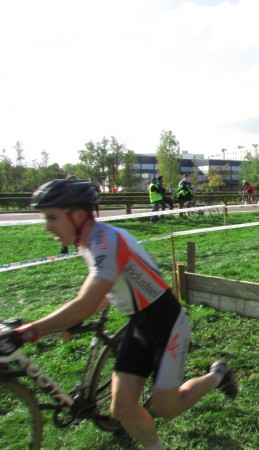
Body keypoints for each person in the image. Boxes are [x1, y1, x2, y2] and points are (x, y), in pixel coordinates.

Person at [0, 179, 237, 450]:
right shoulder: (87, 243)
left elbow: (87, 301)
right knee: (122, 408)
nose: (47, 226)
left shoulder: (106, 241)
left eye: (53, 217)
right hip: (138, 326)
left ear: (76, 215)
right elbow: (102, 292)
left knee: (166, 407)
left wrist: (27, 333)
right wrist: (72, 319)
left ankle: (218, 375)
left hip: (167, 323)